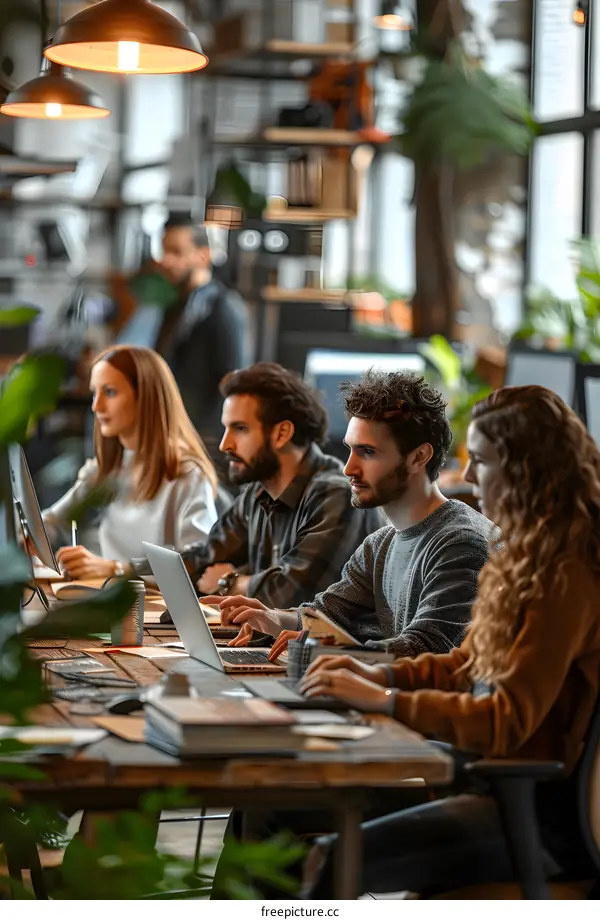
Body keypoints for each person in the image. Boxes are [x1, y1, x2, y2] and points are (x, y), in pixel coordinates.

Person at [297, 385, 600, 898]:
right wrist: (382, 675)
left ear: (525, 468)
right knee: (276, 813)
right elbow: (468, 664)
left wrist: (388, 701)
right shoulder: (525, 555)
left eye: (481, 461)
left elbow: (505, 719)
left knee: (331, 858)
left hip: (537, 817)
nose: (472, 478)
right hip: (484, 783)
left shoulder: (565, 573)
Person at [209, 370, 492, 656]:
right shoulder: (379, 545)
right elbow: (326, 614)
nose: (349, 469)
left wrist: (328, 648)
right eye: (351, 450)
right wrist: (272, 618)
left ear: (419, 457)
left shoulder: (459, 542)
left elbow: (427, 649)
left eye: (368, 452)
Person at [181, 362, 385, 610]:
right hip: (267, 644)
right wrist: (128, 571)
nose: (225, 445)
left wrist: (229, 582)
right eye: (226, 428)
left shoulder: (336, 495)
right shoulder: (257, 493)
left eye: (240, 429)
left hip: (328, 648)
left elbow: (290, 597)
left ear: (282, 433)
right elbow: (206, 558)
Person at [43, 345, 219, 580]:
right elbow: (53, 521)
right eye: (95, 393)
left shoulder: (187, 476)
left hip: (155, 612)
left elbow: (198, 563)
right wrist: (29, 536)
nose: (96, 406)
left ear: (146, 398)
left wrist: (117, 569)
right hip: (109, 602)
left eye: (110, 392)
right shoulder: (105, 469)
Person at [119, 216, 248, 458]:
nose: (166, 260)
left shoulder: (223, 308)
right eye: (165, 251)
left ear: (203, 256)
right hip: (167, 436)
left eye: (176, 252)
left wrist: (210, 442)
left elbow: (235, 381)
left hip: (200, 444)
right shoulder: (173, 305)